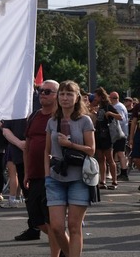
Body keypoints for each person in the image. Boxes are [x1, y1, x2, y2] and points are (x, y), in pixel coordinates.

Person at [45, 80, 96, 257]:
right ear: (58, 97)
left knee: (74, 227)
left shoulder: (84, 121)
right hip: (55, 177)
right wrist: (46, 175)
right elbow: (47, 151)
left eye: (69, 94)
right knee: (57, 227)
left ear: (77, 98)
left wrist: (70, 144)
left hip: (79, 178)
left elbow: (91, 150)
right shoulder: (52, 121)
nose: (65, 98)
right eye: (62, 94)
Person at [15, 80, 58, 246]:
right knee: (36, 218)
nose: (42, 94)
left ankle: (64, 248)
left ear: (57, 95)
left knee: (50, 217)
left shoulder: (59, 117)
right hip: (34, 174)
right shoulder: (34, 115)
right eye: (41, 90)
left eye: (48, 91)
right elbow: (27, 146)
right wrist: (26, 172)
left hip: (53, 174)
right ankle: (62, 242)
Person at [91, 87, 122, 189]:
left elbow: (120, 116)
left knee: (109, 158)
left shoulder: (108, 106)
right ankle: (102, 180)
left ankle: (114, 181)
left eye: (96, 96)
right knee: (100, 158)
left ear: (100, 96)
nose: (94, 98)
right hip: (99, 135)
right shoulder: (99, 107)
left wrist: (110, 113)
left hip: (107, 135)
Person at [109, 92, 129, 181]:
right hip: (122, 133)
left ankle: (124, 172)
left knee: (120, 153)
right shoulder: (121, 106)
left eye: (110, 98)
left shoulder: (118, 107)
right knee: (120, 153)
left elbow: (121, 120)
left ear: (113, 98)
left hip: (119, 134)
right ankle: (123, 172)